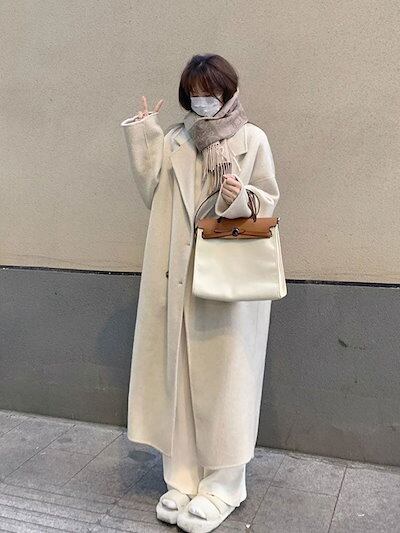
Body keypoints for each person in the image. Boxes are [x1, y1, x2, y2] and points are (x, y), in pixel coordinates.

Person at [120, 53, 280, 533]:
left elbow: (267, 200)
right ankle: (182, 480)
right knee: (179, 379)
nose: (202, 101)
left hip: (227, 281)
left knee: (227, 383)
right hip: (178, 277)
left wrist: (238, 199)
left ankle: (224, 487)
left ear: (227, 91)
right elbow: (152, 191)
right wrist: (145, 132)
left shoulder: (252, 139)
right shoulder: (176, 139)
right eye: (194, 93)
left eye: (210, 92)